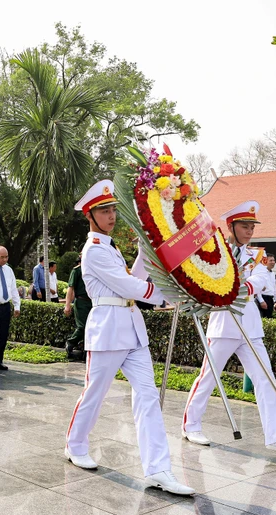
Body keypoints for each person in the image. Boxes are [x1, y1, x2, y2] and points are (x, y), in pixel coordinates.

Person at [64, 180, 194, 496]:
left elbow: (132, 279)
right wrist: (163, 297)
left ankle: (159, 469)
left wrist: (143, 253)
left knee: (148, 397)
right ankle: (76, 444)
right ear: (90, 216)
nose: (111, 216)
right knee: (94, 394)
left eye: (112, 210)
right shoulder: (93, 251)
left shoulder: (110, 248)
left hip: (132, 330)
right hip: (107, 330)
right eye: (104, 211)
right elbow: (128, 287)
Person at [182, 202, 276, 458]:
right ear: (230, 226)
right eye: (244, 226)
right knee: (209, 378)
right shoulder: (215, 252)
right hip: (222, 324)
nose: (250, 230)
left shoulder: (256, 255)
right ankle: (191, 425)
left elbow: (261, 277)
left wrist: (245, 288)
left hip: (250, 326)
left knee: (266, 380)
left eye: (252, 226)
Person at [63, 256, 90, 361]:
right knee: (82, 327)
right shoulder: (77, 270)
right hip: (81, 301)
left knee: (91, 328)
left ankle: (86, 351)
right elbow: (71, 288)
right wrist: (67, 305)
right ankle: (71, 342)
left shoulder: (95, 269)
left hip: (93, 302)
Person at [259, 253, 276, 318]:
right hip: (263, 298)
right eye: (271, 260)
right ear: (265, 261)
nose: (273, 262)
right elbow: (257, 288)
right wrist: (261, 301)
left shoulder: (272, 274)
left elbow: (274, 288)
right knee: (262, 319)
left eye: (274, 260)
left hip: (270, 299)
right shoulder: (260, 273)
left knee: (269, 318)